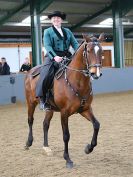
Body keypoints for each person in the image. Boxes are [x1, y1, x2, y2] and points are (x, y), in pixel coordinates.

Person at [36, 11, 79, 111]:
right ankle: (43, 99)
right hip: (53, 56)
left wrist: (77, 54)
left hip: (66, 56)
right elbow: (47, 46)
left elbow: (75, 44)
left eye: (58, 18)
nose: (56, 19)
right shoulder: (47, 31)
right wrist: (55, 57)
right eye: (54, 18)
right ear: (51, 20)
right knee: (46, 74)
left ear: (61, 20)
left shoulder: (68, 31)